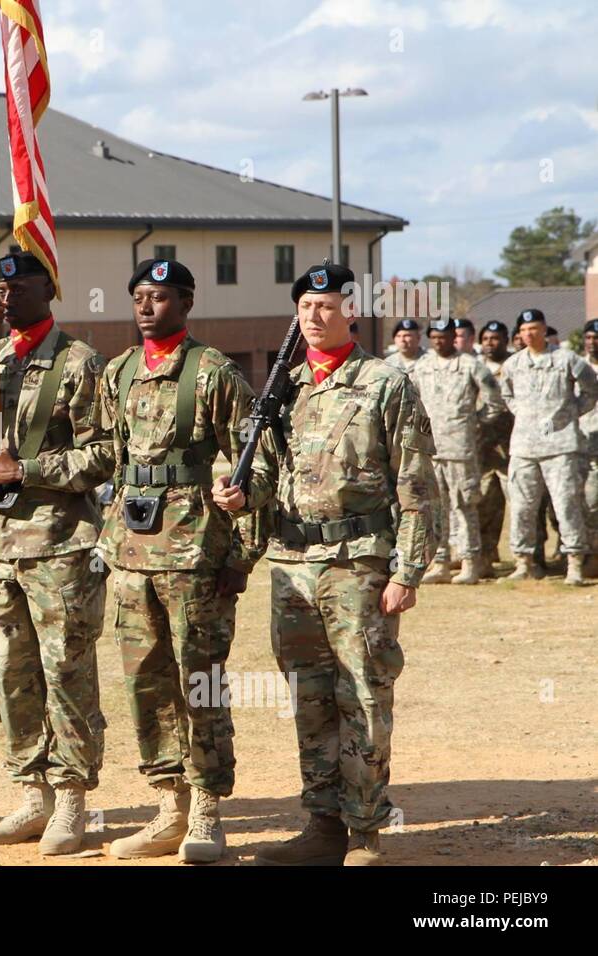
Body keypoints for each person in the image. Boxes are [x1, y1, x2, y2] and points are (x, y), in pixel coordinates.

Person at [212, 262, 438, 866]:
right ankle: (323, 826)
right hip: (293, 562)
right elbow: (265, 471)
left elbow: (417, 486)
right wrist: (240, 493)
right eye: (306, 307)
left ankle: (364, 832)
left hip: (358, 562)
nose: (315, 316)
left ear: (352, 312)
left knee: (361, 692)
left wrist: (406, 572)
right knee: (308, 695)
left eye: (328, 305)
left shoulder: (385, 383)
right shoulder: (283, 388)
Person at [93, 259, 262, 863]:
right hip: (130, 555)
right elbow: (107, 458)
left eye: (159, 298)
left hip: (194, 556)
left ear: (185, 304)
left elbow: (257, 463)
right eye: (138, 296)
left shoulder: (213, 372)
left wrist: (241, 555)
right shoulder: (117, 371)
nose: (145, 307)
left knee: (200, 682)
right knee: (145, 682)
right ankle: (169, 803)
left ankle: (209, 809)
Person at [0, 251, 112, 856]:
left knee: (66, 674)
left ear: (51, 288)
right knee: (10, 676)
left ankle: (72, 797)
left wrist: (29, 469)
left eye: (21, 283)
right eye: (1, 285)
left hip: (58, 546)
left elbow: (102, 453)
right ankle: (31, 793)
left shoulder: (77, 362)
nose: (9, 293)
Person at [498, 309, 598, 584]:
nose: (530, 334)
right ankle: (524, 561)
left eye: (535, 328)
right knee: (521, 507)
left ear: (544, 330)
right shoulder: (513, 364)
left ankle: (575, 562)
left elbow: (591, 391)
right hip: (524, 447)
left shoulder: (567, 360)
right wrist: (521, 411)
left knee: (566, 505)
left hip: (561, 446)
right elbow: (505, 393)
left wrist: (568, 415)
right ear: (519, 334)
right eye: (524, 330)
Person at [410, 318, 506, 584]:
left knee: (465, 505)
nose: (440, 340)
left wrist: (474, 422)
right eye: (435, 336)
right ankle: (440, 561)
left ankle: (470, 561)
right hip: (432, 449)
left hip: (461, 449)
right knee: (437, 508)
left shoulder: (470, 366)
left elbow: (494, 401)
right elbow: (410, 401)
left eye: (445, 336)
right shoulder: (422, 367)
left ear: (455, 337)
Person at [476, 321, 513, 564]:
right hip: (484, 448)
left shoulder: (516, 365)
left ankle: (534, 556)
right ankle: (488, 554)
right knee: (487, 502)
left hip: (515, 445)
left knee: (523, 503)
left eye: (496, 338)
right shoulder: (475, 368)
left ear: (506, 340)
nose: (491, 343)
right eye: (487, 338)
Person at [582, 319, 598, 576]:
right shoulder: (574, 367)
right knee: (590, 504)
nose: (593, 342)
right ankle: (593, 555)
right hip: (585, 449)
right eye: (589, 337)